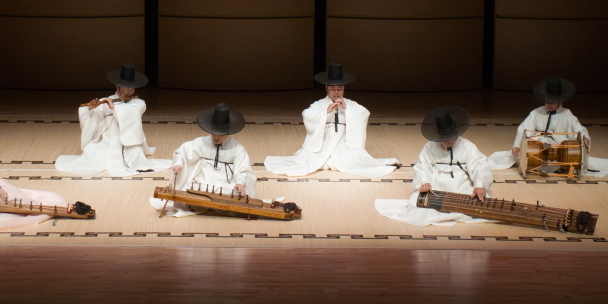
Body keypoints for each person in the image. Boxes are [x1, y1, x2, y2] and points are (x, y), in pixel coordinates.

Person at [264, 63, 397, 178]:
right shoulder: (320, 104)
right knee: (308, 162)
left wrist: (348, 110)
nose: (336, 92)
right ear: (326, 88)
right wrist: (324, 113)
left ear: (344, 89)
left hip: (343, 143)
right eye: (333, 89)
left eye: (340, 89)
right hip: (323, 142)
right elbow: (307, 114)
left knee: (354, 162)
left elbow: (364, 113)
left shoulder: (350, 104)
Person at [375, 106, 494, 227]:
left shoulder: (468, 146)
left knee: (481, 200)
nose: (446, 141)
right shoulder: (430, 147)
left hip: (462, 184)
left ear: (456, 132)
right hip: (437, 186)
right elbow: (423, 167)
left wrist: (479, 185)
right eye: (443, 138)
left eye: (449, 137)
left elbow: (479, 165)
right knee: (415, 200)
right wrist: (424, 182)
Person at [55, 63, 171, 177]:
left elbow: (131, 114)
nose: (130, 90)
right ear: (118, 86)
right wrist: (91, 108)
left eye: (132, 87)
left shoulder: (139, 103)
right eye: (127, 87)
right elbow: (94, 117)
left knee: (135, 155)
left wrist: (113, 108)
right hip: (108, 137)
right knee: (91, 150)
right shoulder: (106, 100)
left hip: (128, 140)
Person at [489, 76, 608, 175]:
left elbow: (578, 128)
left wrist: (584, 136)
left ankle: (559, 166)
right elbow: (524, 128)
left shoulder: (567, 114)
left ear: (560, 100)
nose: (549, 105)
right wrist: (517, 145)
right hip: (539, 143)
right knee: (523, 155)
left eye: (553, 102)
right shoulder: (536, 112)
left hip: (559, 145)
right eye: (547, 101)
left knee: (567, 155)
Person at [149, 103, 256, 217]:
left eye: (221, 134)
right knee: (187, 193)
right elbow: (183, 152)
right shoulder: (201, 142)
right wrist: (178, 164)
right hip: (203, 179)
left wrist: (240, 182)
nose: (216, 137)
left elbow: (243, 169)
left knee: (235, 197)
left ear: (228, 132)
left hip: (226, 182)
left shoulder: (237, 148)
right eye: (213, 133)